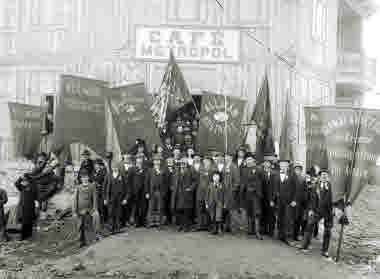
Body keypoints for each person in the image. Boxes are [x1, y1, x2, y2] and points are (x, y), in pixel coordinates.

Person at [302, 169, 334, 258]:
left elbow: (335, 199)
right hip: (317, 210)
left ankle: (325, 251)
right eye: (322, 175)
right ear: (319, 177)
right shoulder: (315, 186)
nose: (324, 176)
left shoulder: (333, 187)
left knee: (327, 231)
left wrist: (334, 209)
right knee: (309, 226)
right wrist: (311, 210)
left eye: (326, 175)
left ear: (328, 177)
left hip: (328, 211)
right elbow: (312, 199)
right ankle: (305, 246)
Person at [72, 171, 99, 247]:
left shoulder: (92, 186)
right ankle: (79, 241)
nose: (84, 179)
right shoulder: (78, 187)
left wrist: (95, 209)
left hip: (89, 209)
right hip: (80, 210)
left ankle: (91, 239)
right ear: (81, 179)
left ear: (88, 178)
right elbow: (75, 199)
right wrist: (74, 211)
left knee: (91, 222)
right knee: (79, 226)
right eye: (83, 177)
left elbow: (94, 198)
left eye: (86, 177)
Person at [172, 157, 196, 232]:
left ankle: (186, 227)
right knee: (179, 210)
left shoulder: (191, 171)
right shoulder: (177, 170)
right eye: (181, 163)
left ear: (186, 164)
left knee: (186, 211)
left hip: (186, 194)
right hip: (178, 194)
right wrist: (173, 187)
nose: (182, 165)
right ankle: (180, 226)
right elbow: (173, 180)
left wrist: (190, 188)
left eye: (184, 163)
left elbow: (195, 181)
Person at [242, 153, 263, 239]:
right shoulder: (244, 170)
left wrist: (254, 188)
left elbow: (260, 181)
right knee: (249, 212)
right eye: (247, 160)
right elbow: (243, 182)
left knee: (256, 213)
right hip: (247, 194)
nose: (249, 161)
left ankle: (257, 232)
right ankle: (249, 230)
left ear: (253, 160)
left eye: (250, 160)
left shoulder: (258, 169)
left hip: (255, 195)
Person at [276, 159, 297, 245]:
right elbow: (275, 187)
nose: (283, 166)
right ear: (280, 166)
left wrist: (295, 200)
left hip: (289, 201)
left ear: (288, 166)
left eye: (285, 165)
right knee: (280, 217)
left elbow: (297, 189)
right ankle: (281, 235)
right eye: (281, 165)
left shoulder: (292, 175)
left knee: (288, 219)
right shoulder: (277, 174)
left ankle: (288, 237)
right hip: (279, 201)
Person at [145, 155, 167, 228]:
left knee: (160, 208)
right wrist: (147, 192)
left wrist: (164, 192)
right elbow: (147, 182)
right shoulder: (150, 170)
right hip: (152, 191)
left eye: (158, 160)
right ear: (153, 162)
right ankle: (150, 222)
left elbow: (165, 182)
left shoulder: (163, 170)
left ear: (160, 162)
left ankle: (159, 223)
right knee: (151, 208)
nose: (157, 162)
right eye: (155, 160)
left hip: (160, 192)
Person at [14, 174, 39, 240]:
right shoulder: (22, 187)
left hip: (30, 207)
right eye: (24, 181)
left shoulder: (33, 188)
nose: (25, 182)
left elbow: (36, 197)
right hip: (23, 207)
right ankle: (23, 236)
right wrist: (20, 178)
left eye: (26, 181)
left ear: (29, 181)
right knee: (24, 222)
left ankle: (29, 235)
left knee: (29, 221)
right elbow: (16, 183)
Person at [103, 167, 125, 234]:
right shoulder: (108, 175)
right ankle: (111, 229)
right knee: (110, 213)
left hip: (119, 198)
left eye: (116, 166)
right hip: (110, 197)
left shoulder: (121, 175)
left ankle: (118, 228)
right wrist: (105, 199)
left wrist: (125, 198)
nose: (115, 168)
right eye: (113, 167)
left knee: (118, 213)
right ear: (112, 168)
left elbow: (125, 186)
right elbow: (104, 187)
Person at [222, 153, 240, 233]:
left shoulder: (234, 167)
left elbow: (237, 181)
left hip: (231, 192)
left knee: (232, 210)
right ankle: (227, 227)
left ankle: (233, 228)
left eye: (228, 157)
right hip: (224, 191)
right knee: (226, 209)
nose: (226, 158)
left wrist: (233, 190)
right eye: (225, 157)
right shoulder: (225, 166)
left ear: (231, 158)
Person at [261, 154, 278, 237]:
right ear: (263, 164)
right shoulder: (260, 173)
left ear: (271, 165)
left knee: (271, 215)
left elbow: (275, 187)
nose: (267, 164)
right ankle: (264, 229)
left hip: (271, 197)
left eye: (268, 163)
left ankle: (271, 231)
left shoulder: (274, 173)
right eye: (265, 163)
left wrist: (273, 199)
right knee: (263, 214)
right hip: (262, 197)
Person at [195, 156, 212, 231]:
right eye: (205, 160)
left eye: (208, 161)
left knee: (207, 210)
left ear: (210, 162)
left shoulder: (212, 171)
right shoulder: (200, 170)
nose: (206, 162)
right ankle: (199, 225)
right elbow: (197, 181)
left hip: (208, 193)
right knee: (199, 210)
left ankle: (207, 226)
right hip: (200, 193)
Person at [118, 154, 135, 228]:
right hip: (122, 188)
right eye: (125, 158)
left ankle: (128, 220)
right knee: (122, 205)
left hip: (131, 188)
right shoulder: (120, 167)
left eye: (128, 158)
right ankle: (122, 222)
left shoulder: (133, 167)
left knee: (130, 205)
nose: (127, 159)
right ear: (123, 159)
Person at [293, 162, 307, 241]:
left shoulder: (303, 179)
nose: (297, 171)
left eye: (299, 169)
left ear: (301, 171)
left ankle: (296, 235)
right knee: (293, 219)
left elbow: (305, 190)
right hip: (293, 202)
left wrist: (304, 199)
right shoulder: (291, 177)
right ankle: (291, 234)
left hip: (300, 203)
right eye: (296, 169)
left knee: (298, 219)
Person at [133, 154, 148, 227]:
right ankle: (137, 222)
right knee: (136, 207)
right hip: (135, 191)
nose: (139, 163)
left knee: (144, 207)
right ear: (136, 162)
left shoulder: (146, 169)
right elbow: (130, 181)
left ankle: (143, 221)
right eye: (138, 162)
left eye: (140, 162)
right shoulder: (132, 169)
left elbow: (147, 180)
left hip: (143, 191)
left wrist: (147, 191)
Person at [93, 159, 108, 226]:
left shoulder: (103, 172)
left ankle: (103, 221)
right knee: (97, 207)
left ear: (99, 165)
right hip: (96, 191)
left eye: (96, 165)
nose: (95, 166)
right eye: (95, 165)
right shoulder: (95, 172)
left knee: (101, 207)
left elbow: (102, 182)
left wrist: (97, 183)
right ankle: (99, 221)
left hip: (101, 192)